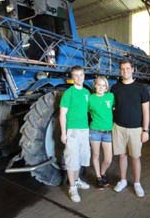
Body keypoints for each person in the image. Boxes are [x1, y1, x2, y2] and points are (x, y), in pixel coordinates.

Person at [111, 59, 150, 197]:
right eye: (122, 69)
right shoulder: (115, 88)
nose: (125, 71)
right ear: (120, 71)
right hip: (118, 127)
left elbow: (146, 111)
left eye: (127, 68)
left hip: (136, 129)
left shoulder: (141, 88)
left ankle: (137, 183)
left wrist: (145, 130)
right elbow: (111, 107)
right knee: (122, 156)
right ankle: (123, 180)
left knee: (135, 157)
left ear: (133, 70)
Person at [59, 66, 91, 203]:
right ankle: (72, 187)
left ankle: (77, 181)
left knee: (81, 159)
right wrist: (63, 133)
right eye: (76, 75)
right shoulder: (68, 93)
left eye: (81, 75)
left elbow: (92, 110)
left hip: (85, 130)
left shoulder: (87, 93)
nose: (79, 78)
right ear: (72, 77)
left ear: (84, 76)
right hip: (72, 131)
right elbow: (62, 114)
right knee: (72, 160)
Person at [89, 76, 114, 190]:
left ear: (106, 87)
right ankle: (99, 178)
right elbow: (83, 112)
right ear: (95, 85)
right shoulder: (90, 98)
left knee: (108, 159)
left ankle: (102, 173)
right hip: (95, 131)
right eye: (98, 84)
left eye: (103, 85)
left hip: (108, 132)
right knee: (95, 155)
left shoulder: (110, 97)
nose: (100, 87)